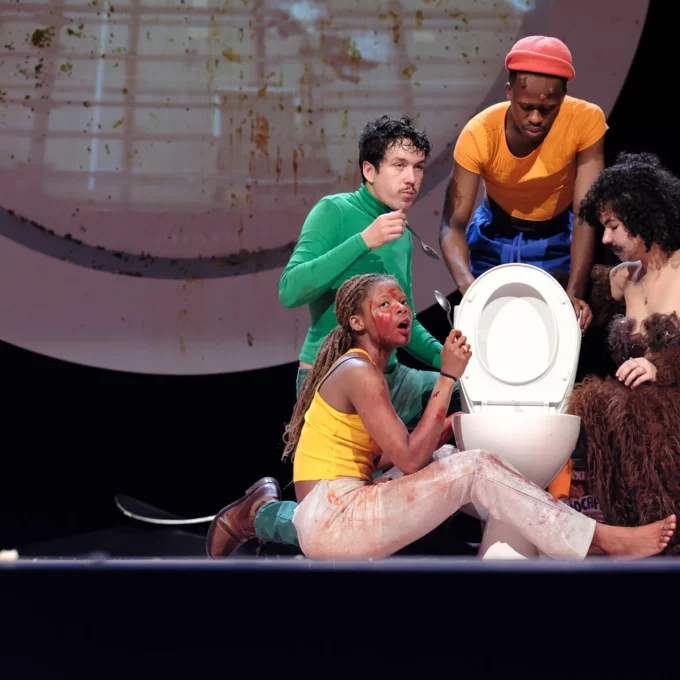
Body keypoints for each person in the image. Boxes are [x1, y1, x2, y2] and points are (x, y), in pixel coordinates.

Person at [206, 116, 463, 558]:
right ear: (369, 170)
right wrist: (362, 241)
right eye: (399, 166)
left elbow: (406, 325)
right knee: (331, 519)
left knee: (467, 397)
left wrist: (454, 362)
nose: (412, 178)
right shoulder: (335, 212)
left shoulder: (399, 232)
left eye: (419, 167)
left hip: (392, 378)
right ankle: (260, 514)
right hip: (331, 381)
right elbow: (290, 289)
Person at [284, 273, 674, 559]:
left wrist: (441, 434)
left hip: (331, 512)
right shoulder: (360, 372)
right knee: (475, 467)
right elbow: (409, 459)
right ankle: (601, 539)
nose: (400, 308)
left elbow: (383, 459)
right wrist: (448, 376)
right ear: (356, 322)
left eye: (403, 301)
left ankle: (537, 543)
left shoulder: (362, 369)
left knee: (447, 458)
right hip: (335, 519)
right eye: (385, 304)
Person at [439, 36, 607, 333]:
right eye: (526, 106)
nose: (536, 118)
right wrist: (470, 289)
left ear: (564, 97)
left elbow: (586, 213)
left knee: (550, 336)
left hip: (557, 239)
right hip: (492, 236)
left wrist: (574, 293)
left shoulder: (585, 120)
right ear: (509, 92)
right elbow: (452, 226)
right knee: (490, 336)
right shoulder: (479, 133)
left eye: (548, 108)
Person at [567, 152, 680, 554]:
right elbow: (582, 296)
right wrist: (578, 304)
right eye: (603, 227)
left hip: (671, 401)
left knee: (636, 410)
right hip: (633, 409)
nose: (605, 239)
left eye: (613, 226)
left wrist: (660, 365)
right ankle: (631, 532)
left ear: (643, 217)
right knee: (594, 402)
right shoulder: (622, 278)